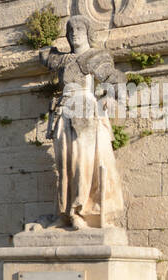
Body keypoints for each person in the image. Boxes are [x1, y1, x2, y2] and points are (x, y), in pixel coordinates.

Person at [41, 16, 126, 229]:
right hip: (64, 112)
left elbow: (117, 80)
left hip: (86, 112)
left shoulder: (96, 57)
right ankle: (66, 212)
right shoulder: (62, 60)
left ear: (87, 33)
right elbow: (45, 55)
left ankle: (83, 210)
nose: (74, 33)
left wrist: (110, 98)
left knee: (85, 164)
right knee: (66, 166)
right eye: (70, 30)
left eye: (79, 29)